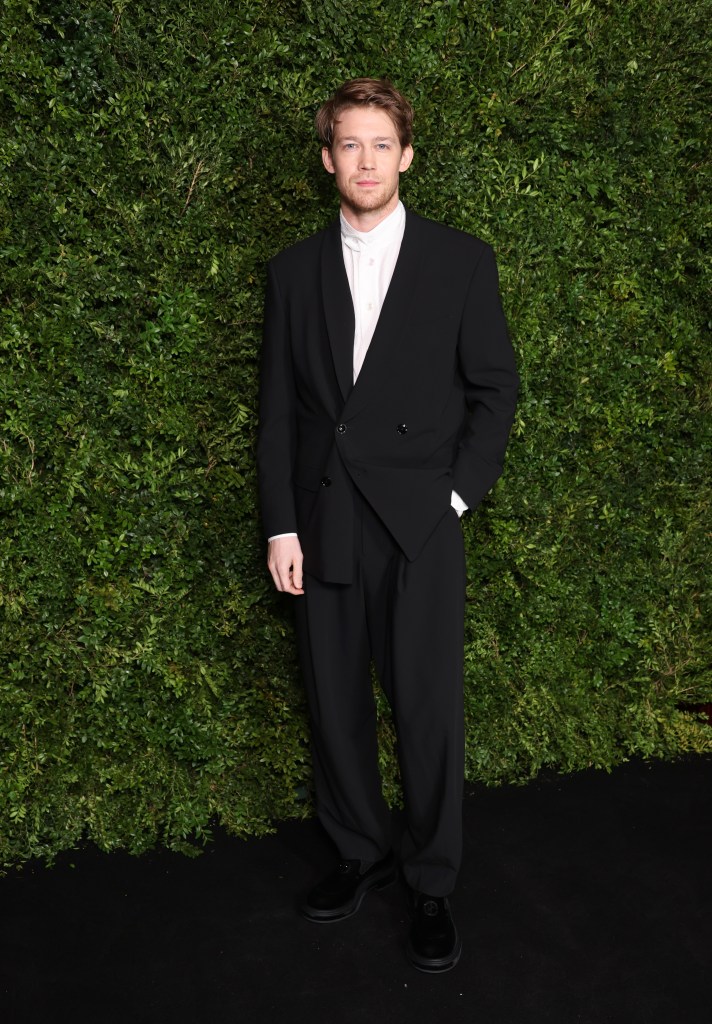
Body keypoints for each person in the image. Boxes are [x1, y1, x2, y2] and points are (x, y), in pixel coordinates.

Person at [257, 78, 519, 973]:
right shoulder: (292, 272)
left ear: (405, 156)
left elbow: (495, 390)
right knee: (334, 704)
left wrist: (453, 499)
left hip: (419, 524)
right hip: (324, 520)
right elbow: (278, 417)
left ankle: (433, 881)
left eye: (382, 145)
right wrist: (281, 526)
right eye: (349, 145)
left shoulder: (460, 261)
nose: (365, 161)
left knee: (426, 709)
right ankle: (358, 852)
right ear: (327, 158)